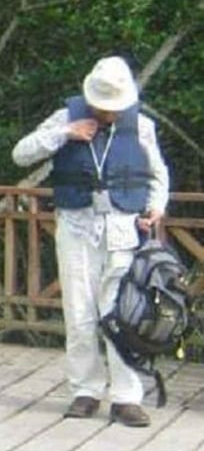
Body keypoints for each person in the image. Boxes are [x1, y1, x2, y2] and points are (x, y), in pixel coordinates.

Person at [12, 55, 169, 428]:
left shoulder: (141, 126)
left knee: (122, 314)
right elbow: (21, 154)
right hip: (77, 226)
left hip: (123, 227)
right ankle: (85, 391)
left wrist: (156, 207)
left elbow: (157, 173)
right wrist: (64, 134)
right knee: (79, 313)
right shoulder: (65, 116)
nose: (108, 113)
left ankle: (126, 398)